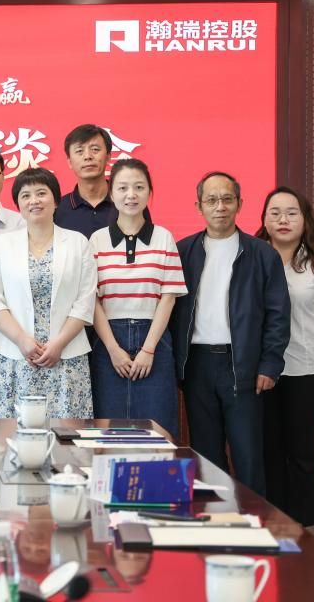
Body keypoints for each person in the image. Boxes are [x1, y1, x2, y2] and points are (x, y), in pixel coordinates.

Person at [171, 172, 290, 495]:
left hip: (243, 365)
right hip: (197, 365)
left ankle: (254, 520)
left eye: (227, 199)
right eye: (211, 200)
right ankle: (215, 516)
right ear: (199, 206)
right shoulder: (184, 252)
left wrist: (270, 365)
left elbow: (279, 315)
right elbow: (170, 311)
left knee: (248, 454)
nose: (220, 207)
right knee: (206, 454)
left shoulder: (261, 254)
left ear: (239, 204)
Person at [256, 186, 314, 525]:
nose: (283, 219)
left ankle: (304, 522)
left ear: (304, 219)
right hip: (260, 371)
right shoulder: (252, 259)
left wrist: (308, 337)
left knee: (300, 449)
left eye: (292, 213)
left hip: (306, 370)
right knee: (268, 448)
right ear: (264, 219)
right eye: (275, 212)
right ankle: (272, 517)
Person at [0, 168, 96, 419]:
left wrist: (58, 344)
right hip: (13, 356)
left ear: (56, 200)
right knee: (8, 434)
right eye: (26, 195)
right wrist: (22, 340)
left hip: (65, 356)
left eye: (41, 193)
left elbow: (85, 302)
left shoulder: (78, 243)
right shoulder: (2, 245)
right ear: (18, 205)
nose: (34, 200)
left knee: (66, 434)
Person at [88, 159, 186, 437]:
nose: (131, 195)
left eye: (139, 187)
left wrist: (148, 349)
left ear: (149, 192)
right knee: (107, 430)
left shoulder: (164, 237)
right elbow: (92, 300)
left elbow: (168, 297)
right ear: (111, 193)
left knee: (158, 430)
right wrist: (113, 349)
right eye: (123, 188)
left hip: (154, 340)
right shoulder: (97, 240)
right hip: (108, 342)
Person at [54, 124, 149, 238]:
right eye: (79, 151)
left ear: (108, 156)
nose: (88, 156)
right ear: (69, 162)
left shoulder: (130, 202)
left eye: (95, 149)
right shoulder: (57, 209)